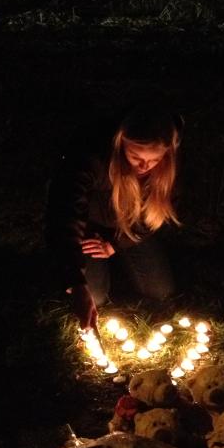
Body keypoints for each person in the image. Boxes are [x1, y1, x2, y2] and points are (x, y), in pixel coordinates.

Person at [45, 102, 182, 332]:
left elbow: (151, 220)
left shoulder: (166, 169)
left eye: (154, 160)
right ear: (121, 143)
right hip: (90, 231)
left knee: (162, 292)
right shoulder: (91, 158)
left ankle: (118, 262)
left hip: (127, 231)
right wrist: (76, 282)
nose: (144, 166)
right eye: (135, 155)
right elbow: (65, 217)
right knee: (94, 296)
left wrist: (115, 245)